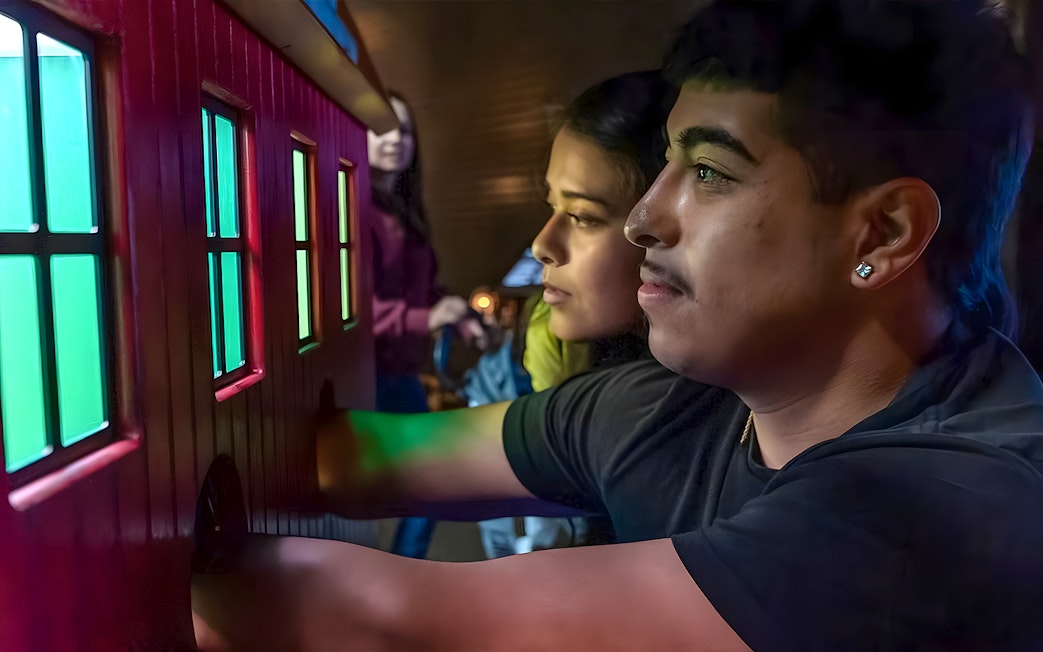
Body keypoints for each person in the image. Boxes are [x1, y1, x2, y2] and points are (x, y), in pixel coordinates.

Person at [192, 1, 1043, 649]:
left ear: (881, 234)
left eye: (707, 171)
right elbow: (354, 458)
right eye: (665, 162)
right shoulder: (671, 406)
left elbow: (374, 620)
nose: (643, 218)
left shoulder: (952, 511)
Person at [478, 71, 670, 558]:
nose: (542, 245)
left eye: (583, 216)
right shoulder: (588, 362)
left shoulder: (657, 406)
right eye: (551, 206)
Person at [366, 91, 478, 558]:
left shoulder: (406, 212)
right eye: (383, 126)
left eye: (405, 129)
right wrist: (427, 317)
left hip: (401, 376)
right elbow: (348, 308)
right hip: (363, 379)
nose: (395, 138)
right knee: (389, 493)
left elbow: (425, 288)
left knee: (436, 486)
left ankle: (403, 574)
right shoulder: (350, 208)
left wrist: (465, 319)